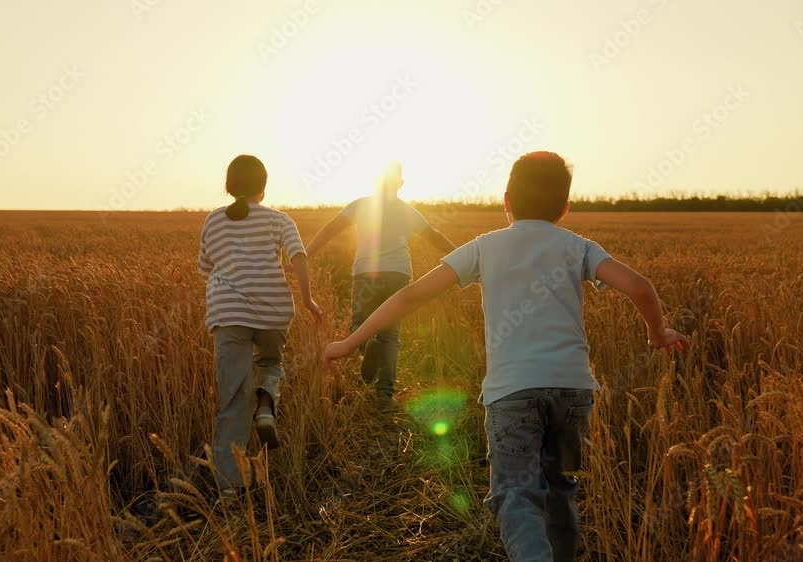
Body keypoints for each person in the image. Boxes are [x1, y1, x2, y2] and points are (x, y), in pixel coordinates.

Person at [324, 152, 689, 560]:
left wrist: (351, 342)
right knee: (560, 490)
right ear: (565, 209)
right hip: (573, 392)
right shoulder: (578, 246)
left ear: (506, 202)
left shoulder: (484, 247)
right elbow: (640, 287)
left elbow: (411, 295)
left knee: (516, 496)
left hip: (511, 393)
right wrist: (658, 333)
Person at [198, 155, 322, 497]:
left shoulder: (213, 221)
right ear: (263, 188)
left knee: (233, 400)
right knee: (271, 363)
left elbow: (205, 268)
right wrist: (309, 301)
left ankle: (229, 488)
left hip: (228, 315)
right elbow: (299, 257)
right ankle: (266, 405)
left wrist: (230, 288)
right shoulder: (280, 220)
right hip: (273, 313)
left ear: (229, 186)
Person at [306, 161, 455, 409]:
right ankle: (385, 396)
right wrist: (465, 257)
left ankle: (366, 344)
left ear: (375, 181)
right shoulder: (409, 212)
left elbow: (331, 229)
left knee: (359, 323)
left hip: (366, 273)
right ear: (401, 184)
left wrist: (306, 254)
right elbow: (435, 237)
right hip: (398, 275)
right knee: (391, 335)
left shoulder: (360, 205)